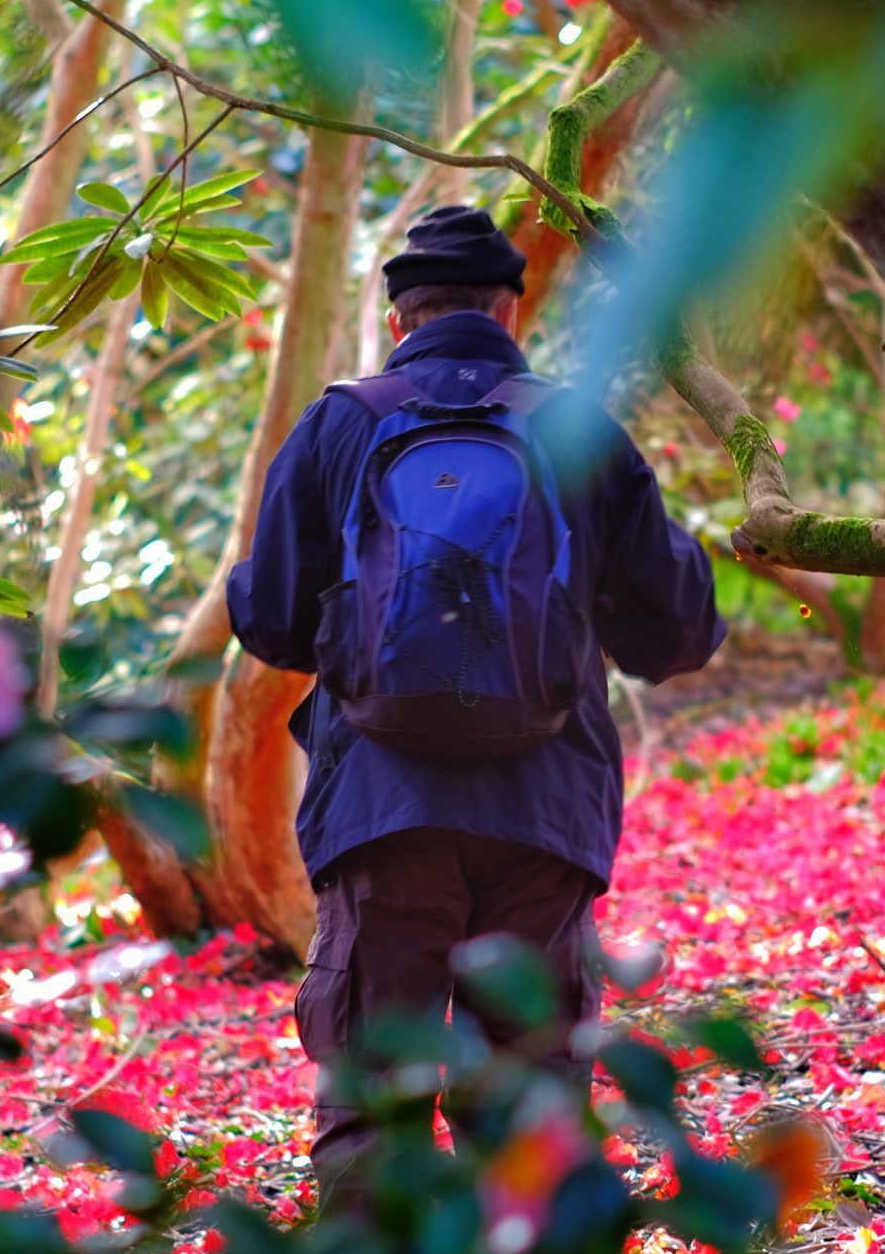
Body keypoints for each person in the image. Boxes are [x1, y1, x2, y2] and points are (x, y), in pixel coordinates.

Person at [226, 203, 724, 1196]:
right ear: (511, 309)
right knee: (531, 1099)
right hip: (542, 812)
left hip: (382, 809)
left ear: (399, 319)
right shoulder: (577, 431)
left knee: (373, 1095)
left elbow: (273, 620)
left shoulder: (339, 424)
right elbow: (673, 635)